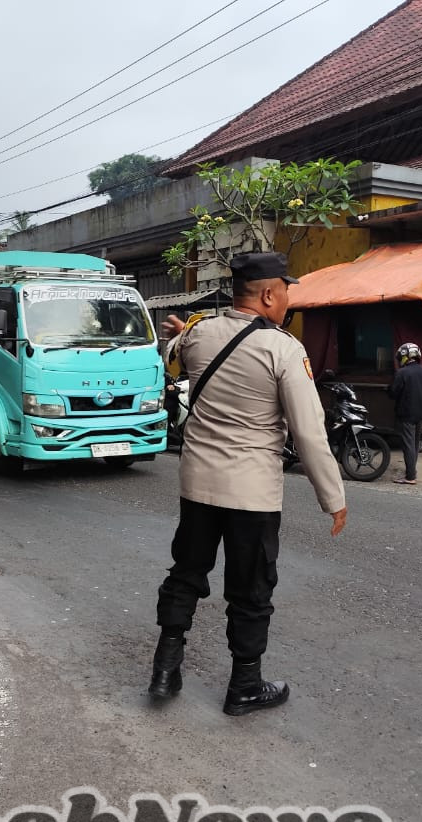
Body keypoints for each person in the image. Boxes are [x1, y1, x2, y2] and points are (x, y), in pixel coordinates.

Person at [150, 251, 348, 717]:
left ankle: (164, 670)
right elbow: (309, 432)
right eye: (285, 291)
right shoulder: (284, 348)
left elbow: (175, 353)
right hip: (251, 494)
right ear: (267, 294)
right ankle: (244, 687)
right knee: (251, 588)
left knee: (186, 573)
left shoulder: (197, 334)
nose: (287, 300)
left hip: (197, 486)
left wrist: (182, 334)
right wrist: (333, 498)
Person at [386, 342, 422, 484]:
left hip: (406, 414)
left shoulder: (401, 373)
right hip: (421, 414)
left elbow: (393, 393)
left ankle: (410, 477)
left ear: (404, 356)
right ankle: (412, 471)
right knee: (414, 444)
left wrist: (388, 390)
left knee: (408, 445)